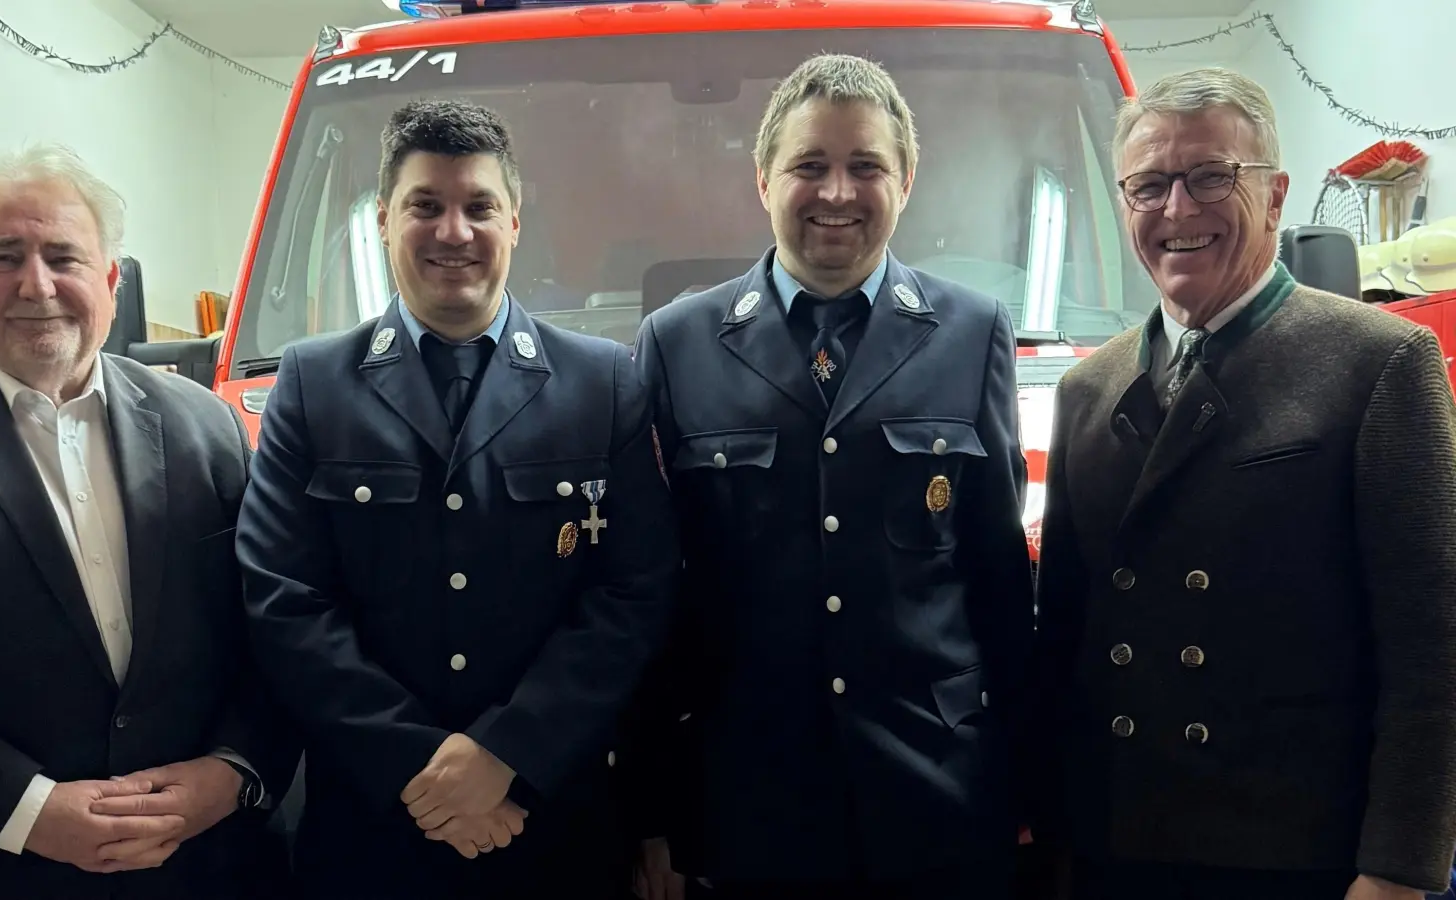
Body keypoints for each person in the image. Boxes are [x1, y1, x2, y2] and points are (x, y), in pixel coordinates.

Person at [235, 97, 681, 899]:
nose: (453, 232)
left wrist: (508, 755)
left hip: (553, 820)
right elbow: (285, 600)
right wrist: (420, 770)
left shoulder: (603, 383)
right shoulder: (310, 385)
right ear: (381, 221)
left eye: (479, 206)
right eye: (424, 206)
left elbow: (635, 590)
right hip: (373, 831)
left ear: (513, 221)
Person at [1029, 67, 1456, 900]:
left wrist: (1399, 870)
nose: (1177, 210)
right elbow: (1066, 652)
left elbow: (1431, 652)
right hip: (1117, 842)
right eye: (1148, 184)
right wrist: (1052, 834)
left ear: (1275, 194)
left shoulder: (1379, 363)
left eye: (1210, 177)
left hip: (1295, 856)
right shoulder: (1088, 389)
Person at [625, 53, 1034, 899]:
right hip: (748, 808)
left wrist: (1027, 787)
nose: (837, 193)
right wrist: (652, 810)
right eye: (810, 165)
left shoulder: (973, 331)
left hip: (938, 799)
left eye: (865, 166)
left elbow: (997, 581)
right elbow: (653, 598)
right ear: (763, 180)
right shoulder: (675, 343)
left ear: (907, 180)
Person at [0, 143, 298, 899]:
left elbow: (272, 626)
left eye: (64, 255)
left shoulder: (205, 427)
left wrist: (232, 773)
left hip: (198, 866)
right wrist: (26, 810)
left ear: (111, 279)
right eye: (3, 255)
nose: (38, 283)